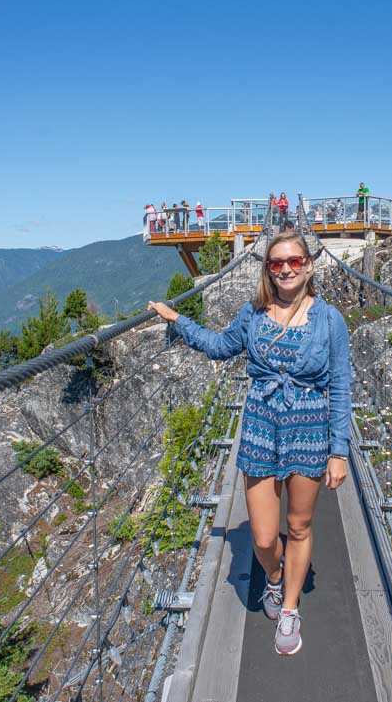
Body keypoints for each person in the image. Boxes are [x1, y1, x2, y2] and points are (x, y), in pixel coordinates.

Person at [147, 231, 351, 657]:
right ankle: (273, 579)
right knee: (262, 537)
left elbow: (341, 387)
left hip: (310, 430)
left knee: (297, 526)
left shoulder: (330, 320)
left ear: (309, 265)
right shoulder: (253, 314)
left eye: (295, 261)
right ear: (268, 270)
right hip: (260, 427)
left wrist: (339, 450)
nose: (286, 269)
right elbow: (221, 347)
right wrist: (178, 320)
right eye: (277, 263)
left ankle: (290, 607)